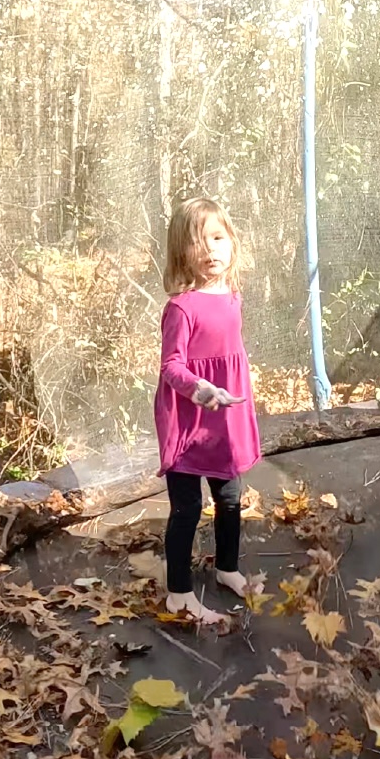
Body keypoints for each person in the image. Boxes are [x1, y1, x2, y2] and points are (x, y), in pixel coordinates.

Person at [155, 197, 261, 623]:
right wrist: (199, 389)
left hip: (225, 417)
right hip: (189, 418)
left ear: (231, 242)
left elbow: (230, 354)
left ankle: (227, 569)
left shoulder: (233, 297)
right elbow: (171, 367)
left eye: (217, 238)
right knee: (187, 507)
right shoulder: (182, 307)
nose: (210, 250)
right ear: (183, 253)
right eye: (199, 242)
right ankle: (179, 593)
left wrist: (231, 394)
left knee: (230, 497)